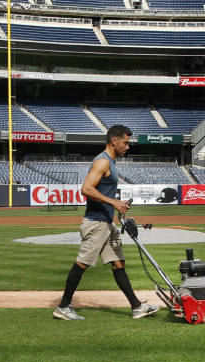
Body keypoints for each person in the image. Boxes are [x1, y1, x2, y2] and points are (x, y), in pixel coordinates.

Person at [54, 124, 159, 321]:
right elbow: (86, 189)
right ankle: (63, 306)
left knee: (119, 263)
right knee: (82, 264)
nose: (128, 147)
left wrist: (116, 206)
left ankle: (137, 307)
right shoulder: (102, 162)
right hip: (96, 223)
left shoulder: (111, 162)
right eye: (125, 143)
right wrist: (114, 202)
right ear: (114, 141)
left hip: (106, 224)